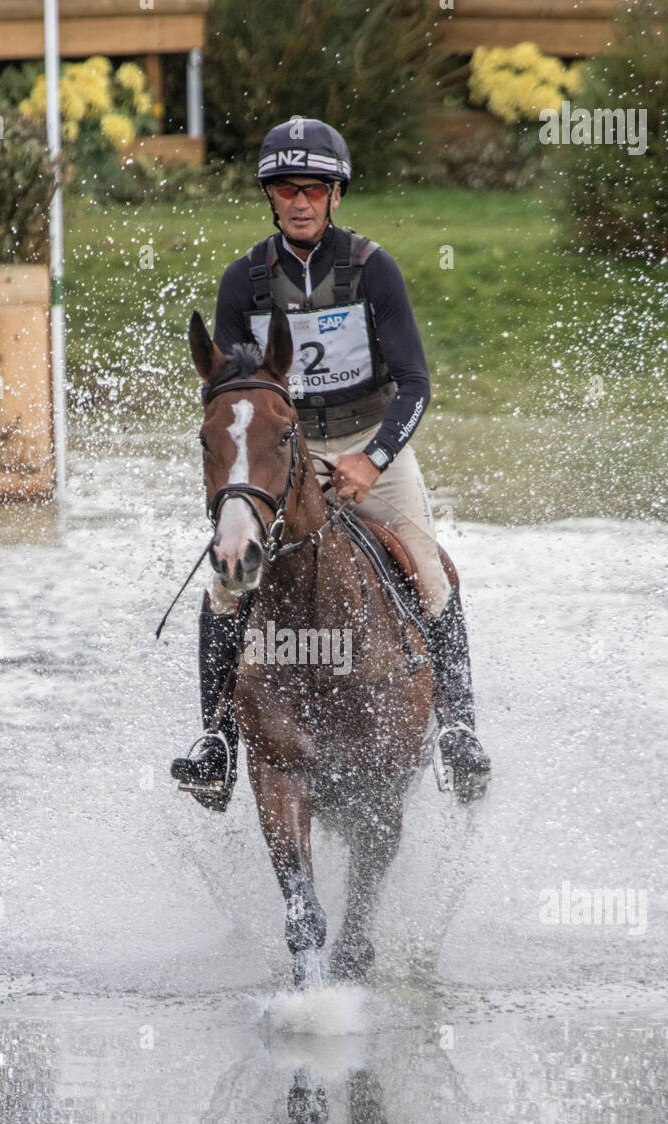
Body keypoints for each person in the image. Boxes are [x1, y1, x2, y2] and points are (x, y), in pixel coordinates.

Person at [170, 116, 490, 807]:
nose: (300, 201)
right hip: (280, 450)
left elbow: (415, 384)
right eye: (286, 188)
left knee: (428, 567)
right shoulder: (243, 283)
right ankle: (215, 742)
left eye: (314, 188)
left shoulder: (373, 270)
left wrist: (373, 460)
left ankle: (459, 728)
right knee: (226, 582)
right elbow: (229, 394)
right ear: (270, 197)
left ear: (336, 194)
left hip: (370, 437)